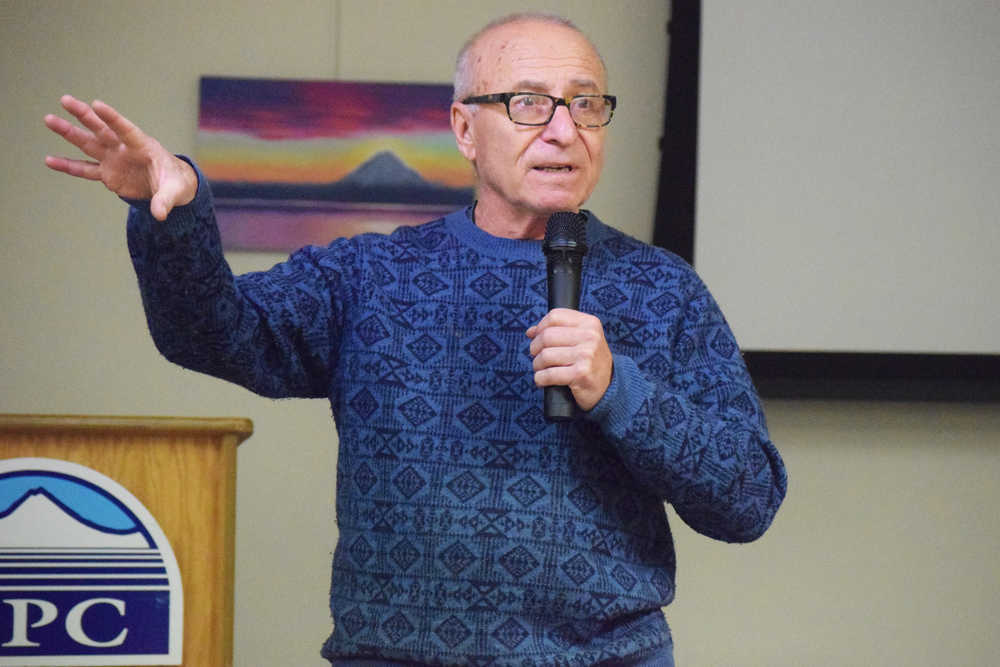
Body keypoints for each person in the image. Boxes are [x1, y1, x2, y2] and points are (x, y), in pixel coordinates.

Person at [44, 12, 787, 666]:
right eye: (530, 104)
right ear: (465, 128)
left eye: (586, 105)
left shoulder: (663, 291)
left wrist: (619, 391)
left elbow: (748, 497)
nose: (565, 129)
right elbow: (215, 333)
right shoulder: (371, 274)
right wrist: (171, 213)